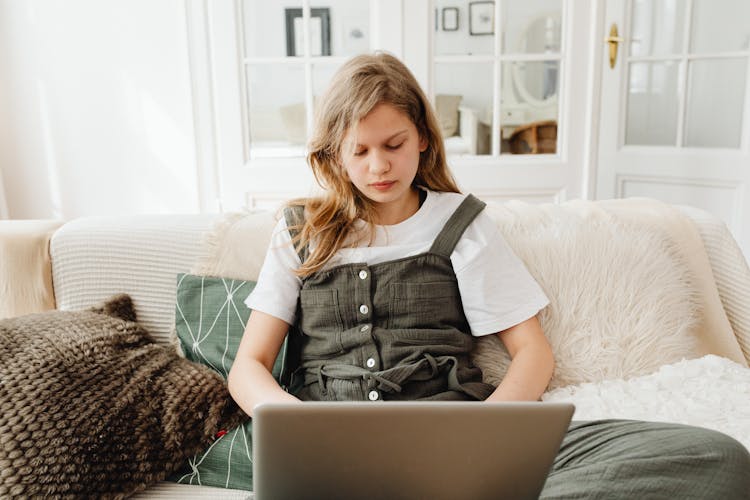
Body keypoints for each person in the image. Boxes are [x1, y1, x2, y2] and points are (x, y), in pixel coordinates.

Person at [228, 52, 750, 498]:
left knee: (716, 456)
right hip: (332, 450)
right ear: (336, 158)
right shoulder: (302, 231)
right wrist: (298, 425)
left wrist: (482, 436)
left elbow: (533, 352)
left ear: (424, 140)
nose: (379, 167)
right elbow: (248, 365)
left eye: (394, 144)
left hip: (453, 439)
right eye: (359, 151)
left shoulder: (461, 223)